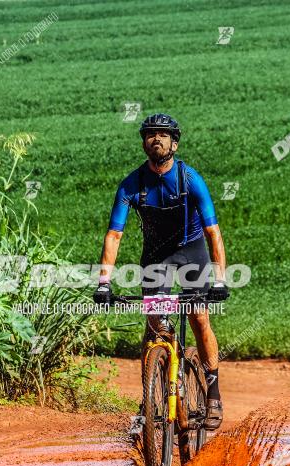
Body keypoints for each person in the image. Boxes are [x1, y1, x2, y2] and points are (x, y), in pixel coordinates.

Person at [93, 113, 229, 430]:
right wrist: (103, 283)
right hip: (156, 258)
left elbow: (213, 233)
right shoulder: (131, 184)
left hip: (191, 251)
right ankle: (151, 391)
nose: (156, 137)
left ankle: (213, 391)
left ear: (174, 143)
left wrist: (219, 280)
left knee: (198, 317)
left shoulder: (190, 180)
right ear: (143, 143)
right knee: (154, 325)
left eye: (163, 134)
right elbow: (114, 235)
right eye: (150, 133)